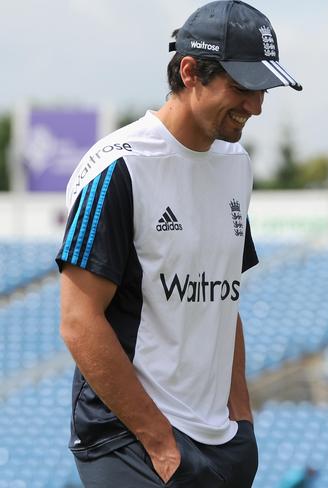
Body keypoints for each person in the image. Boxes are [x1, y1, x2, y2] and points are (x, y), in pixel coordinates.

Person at [56, 1, 301, 486]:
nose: (256, 106)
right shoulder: (118, 167)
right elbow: (78, 321)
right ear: (190, 72)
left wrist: (241, 423)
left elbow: (222, 301)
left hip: (219, 442)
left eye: (262, 89)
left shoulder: (236, 165)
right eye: (242, 86)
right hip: (130, 441)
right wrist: (159, 442)